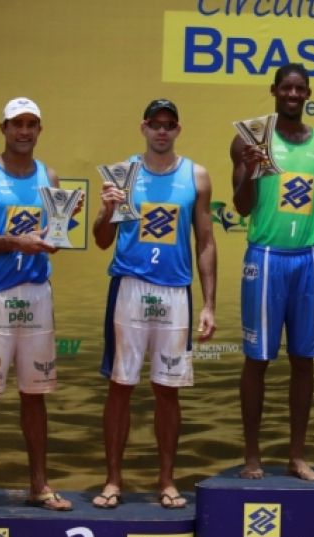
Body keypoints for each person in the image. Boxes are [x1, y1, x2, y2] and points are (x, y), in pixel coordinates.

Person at [92, 99, 216, 509]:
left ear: (178, 129)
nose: (162, 131)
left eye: (169, 124)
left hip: (175, 291)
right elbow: (102, 240)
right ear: (143, 128)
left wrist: (209, 304)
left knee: (168, 391)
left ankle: (167, 481)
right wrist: (108, 209)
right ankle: (113, 481)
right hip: (129, 287)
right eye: (155, 124)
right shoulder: (123, 174)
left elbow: (205, 241)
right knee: (120, 387)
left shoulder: (196, 175)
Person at [0, 97, 72, 511]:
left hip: (36, 294)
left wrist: (54, 235)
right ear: (3, 128)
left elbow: (56, 237)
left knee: (34, 395)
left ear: (40, 130)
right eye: (16, 124)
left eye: (31, 124)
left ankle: (40, 485)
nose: (24, 131)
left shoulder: (48, 176)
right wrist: (13, 242)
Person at [230, 63, 314, 481]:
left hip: (308, 259)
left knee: (303, 361)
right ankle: (252, 456)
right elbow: (241, 206)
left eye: (300, 89)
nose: (293, 94)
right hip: (265, 258)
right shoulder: (250, 139)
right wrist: (251, 170)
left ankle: (297, 456)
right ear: (274, 90)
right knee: (257, 360)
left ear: (308, 93)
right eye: (286, 88)